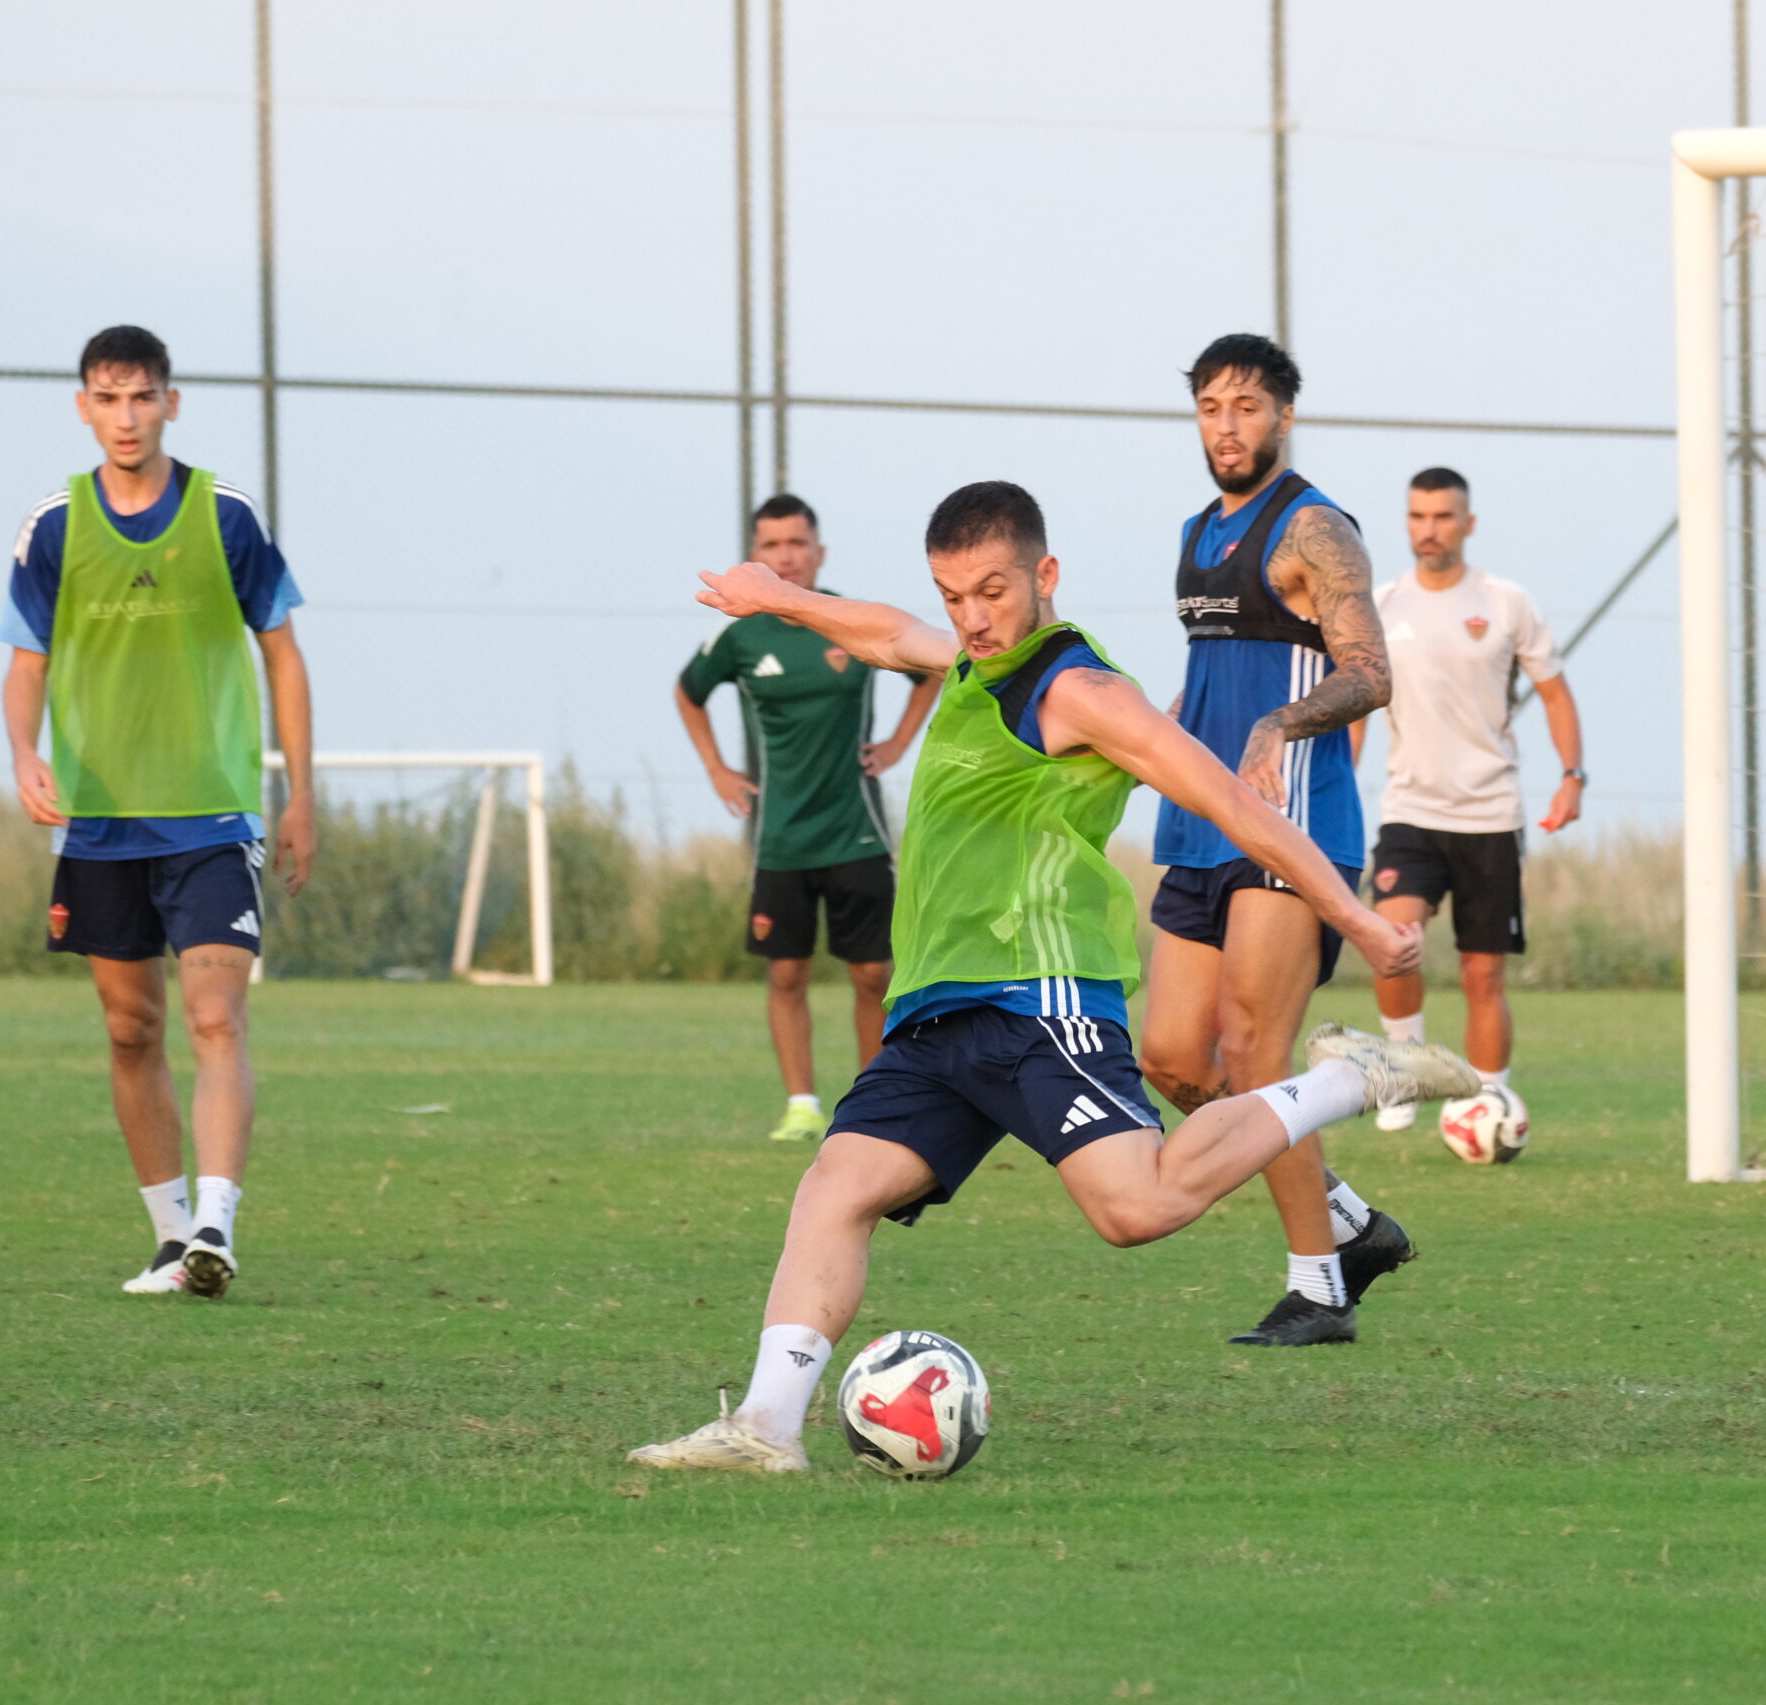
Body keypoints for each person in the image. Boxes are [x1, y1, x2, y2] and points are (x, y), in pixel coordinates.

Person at [629, 482, 1476, 1473]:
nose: (972, 617)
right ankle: (765, 1428)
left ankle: (1347, 1077)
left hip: (1038, 997)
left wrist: (1359, 921)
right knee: (835, 1188)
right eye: (955, 596)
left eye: (992, 591)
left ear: (1046, 576)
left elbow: (1232, 804)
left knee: (1135, 1208)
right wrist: (776, 595)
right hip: (938, 1009)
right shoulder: (974, 662)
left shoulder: (1081, 692)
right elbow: (892, 634)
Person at [0, 325, 315, 1299]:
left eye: (142, 397)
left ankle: (217, 1222)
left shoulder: (225, 515)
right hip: (100, 823)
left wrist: (300, 792)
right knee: (131, 1027)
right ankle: (172, 1239)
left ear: (171, 403)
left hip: (212, 816)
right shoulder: (55, 526)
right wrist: (24, 752)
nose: (127, 417)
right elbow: (25, 664)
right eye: (108, 398)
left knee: (215, 1015)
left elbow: (282, 653)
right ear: (84, 408)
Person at [1135, 332, 1410, 1349]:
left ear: (1284, 416)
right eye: (1211, 407)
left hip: (1292, 825)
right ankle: (1348, 1220)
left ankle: (1320, 1290)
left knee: (1256, 1053)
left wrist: (1277, 725)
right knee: (1172, 1059)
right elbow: (1217, 670)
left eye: (1246, 406)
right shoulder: (1194, 533)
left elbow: (1371, 673)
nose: (1227, 425)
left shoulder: (1316, 528)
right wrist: (1169, 726)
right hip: (1198, 824)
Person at [674, 494, 942, 1141]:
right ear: (754, 555)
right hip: (781, 836)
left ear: (819, 552)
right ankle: (801, 1104)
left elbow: (930, 669)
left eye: (797, 543)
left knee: (873, 973)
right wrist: (716, 768)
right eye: (772, 545)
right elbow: (688, 691)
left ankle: (873, 1107)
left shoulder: (848, 619)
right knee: (787, 972)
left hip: (856, 828)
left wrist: (899, 743)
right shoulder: (739, 635)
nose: (786, 556)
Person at [1353, 467, 1585, 1131]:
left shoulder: (1506, 603)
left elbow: (1555, 693)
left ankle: (1487, 1106)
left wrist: (1572, 776)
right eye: (1418, 516)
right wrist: (1335, 788)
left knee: (1483, 975)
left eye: (1443, 517)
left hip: (1490, 815)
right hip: (1410, 812)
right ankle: (1403, 1070)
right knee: (1393, 940)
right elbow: (1357, 711)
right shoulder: (1382, 606)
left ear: (1468, 523)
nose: (1429, 530)